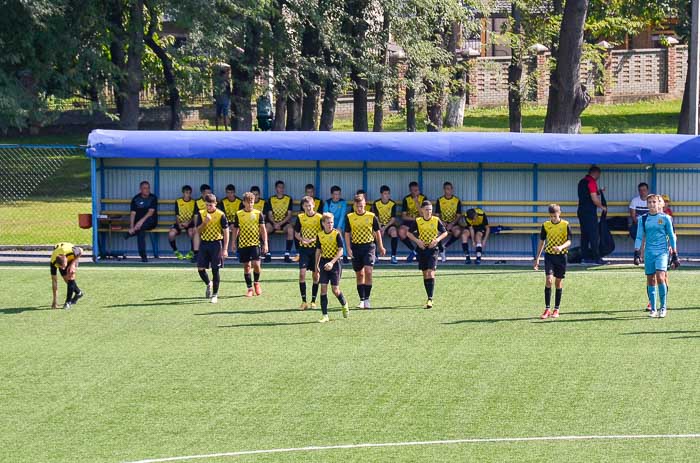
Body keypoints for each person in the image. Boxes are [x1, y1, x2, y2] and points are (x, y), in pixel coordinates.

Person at [634, 194, 679, 318]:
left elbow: (671, 235)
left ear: (659, 204)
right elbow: (639, 236)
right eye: (649, 202)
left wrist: (675, 254)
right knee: (650, 279)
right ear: (647, 204)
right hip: (649, 253)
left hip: (662, 253)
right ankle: (653, 309)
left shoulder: (665, 218)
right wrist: (636, 252)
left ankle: (663, 307)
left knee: (660, 277)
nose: (652, 204)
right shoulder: (642, 219)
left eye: (654, 202)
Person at [345, 194, 386, 309]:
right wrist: (348, 248)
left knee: (368, 271)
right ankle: (361, 299)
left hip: (369, 247)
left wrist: (381, 246)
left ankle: (367, 299)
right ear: (354, 205)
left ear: (365, 204)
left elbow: (377, 232)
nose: (360, 208)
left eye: (362, 206)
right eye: (358, 206)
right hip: (356, 247)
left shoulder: (372, 216)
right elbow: (347, 233)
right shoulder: (349, 217)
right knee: (359, 274)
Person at [533, 204, 573, 320]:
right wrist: (537, 258)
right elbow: (542, 241)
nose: (553, 218)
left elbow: (569, 241)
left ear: (559, 213)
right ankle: (547, 309)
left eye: (555, 216)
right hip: (549, 256)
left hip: (561, 257)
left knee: (558, 283)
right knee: (549, 280)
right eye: (551, 216)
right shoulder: (546, 225)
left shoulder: (565, 225)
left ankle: (556, 309)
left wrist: (561, 247)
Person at [407, 200, 449, 309]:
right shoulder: (418, 221)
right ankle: (428, 296)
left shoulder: (436, 220)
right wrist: (418, 241)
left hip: (433, 250)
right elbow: (408, 233)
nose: (429, 212)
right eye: (426, 210)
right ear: (422, 210)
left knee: (430, 272)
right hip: (422, 250)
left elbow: (445, 232)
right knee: (425, 273)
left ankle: (430, 298)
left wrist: (437, 240)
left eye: (430, 210)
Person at [232, 192, 268, 297]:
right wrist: (233, 242)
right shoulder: (239, 214)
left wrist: (265, 243)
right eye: (248, 202)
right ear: (243, 203)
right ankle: (249, 288)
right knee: (247, 266)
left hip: (255, 243)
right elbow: (235, 229)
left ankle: (256, 282)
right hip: (243, 244)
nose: (250, 204)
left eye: (252, 202)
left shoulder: (258, 213)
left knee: (256, 265)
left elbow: (263, 229)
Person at [315, 213, 349, 323]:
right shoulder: (320, 235)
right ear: (323, 223)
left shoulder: (336, 234)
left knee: (335, 290)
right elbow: (318, 251)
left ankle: (344, 303)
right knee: (323, 289)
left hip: (335, 264)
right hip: (324, 262)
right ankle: (325, 315)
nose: (330, 224)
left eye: (332, 222)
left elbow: (341, 251)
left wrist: (332, 262)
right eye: (328, 222)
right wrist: (316, 265)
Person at [195, 194, 229, 304]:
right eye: (207, 205)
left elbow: (226, 231)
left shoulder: (220, 215)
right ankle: (208, 283)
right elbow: (198, 231)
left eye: (210, 205)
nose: (208, 207)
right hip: (204, 243)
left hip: (216, 244)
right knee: (200, 268)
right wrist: (205, 222)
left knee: (215, 269)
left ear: (215, 204)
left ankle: (215, 295)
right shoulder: (201, 213)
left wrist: (225, 248)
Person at [295, 196, 323, 310]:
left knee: (316, 275)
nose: (308, 208)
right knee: (302, 274)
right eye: (306, 206)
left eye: (310, 205)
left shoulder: (319, 217)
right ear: (303, 207)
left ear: (314, 205)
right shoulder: (300, 217)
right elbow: (296, 233)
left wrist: (313, 240)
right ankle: (303, 301)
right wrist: (302, 239)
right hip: (304, 250)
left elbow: (323, 233)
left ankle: (313, 301)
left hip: (316, 250)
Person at [577, 165, 607, 265]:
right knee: (594, 235)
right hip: (589, 213)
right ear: (595, 173)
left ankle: (585, 258)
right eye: (599, 174)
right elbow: (594, 199)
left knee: (584, 235)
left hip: (581, 211)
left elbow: (587, 194)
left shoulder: (582, 181)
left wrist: (599, 191)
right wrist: (602, 207)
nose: (599, 176)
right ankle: (597, 258)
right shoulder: (592, 182)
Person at [125, 180, 158, 262]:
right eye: (144, 188)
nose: (147, 190)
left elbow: (150, 212)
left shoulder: (153, 198)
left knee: (141, 227)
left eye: (148, 188)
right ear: (140, 189)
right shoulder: (136, 199)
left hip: (151, 221)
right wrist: (132, 226)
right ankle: (143, 256)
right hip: (138, 225)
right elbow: (133, 213)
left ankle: (131, 234)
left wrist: (140, 222)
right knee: (141, 230)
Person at [264, 180, 294, 263]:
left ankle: (287, 255)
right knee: (265, 229)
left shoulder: (288, 199)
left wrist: (280, 224)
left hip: (283, 222)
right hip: (273, 222)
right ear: (276, 188)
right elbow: (269, 214)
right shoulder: (271, 199)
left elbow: (289, 215)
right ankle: (267, 253)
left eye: (282, 187)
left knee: (291, 230)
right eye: (279, 187)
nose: (281, 189)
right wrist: (275, 223)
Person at [434, 181, 462, 263]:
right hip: (442, 223)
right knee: (437, 233)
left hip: (453, 223)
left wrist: (452, 223)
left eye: (450, 189)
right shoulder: (440, 200)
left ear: (452, 189)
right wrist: (442, 222)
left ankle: (444, 246)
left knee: (457, 232)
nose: (448, 190)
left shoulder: (456, 200)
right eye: (447, 189)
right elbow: (437, 215)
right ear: (444, 190)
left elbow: (458, 215)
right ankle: (441, 251)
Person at [398, 181, 426, 263]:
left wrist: (417, 202)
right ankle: (414, 251)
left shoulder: (423, 198)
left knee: (425, 233)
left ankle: (417, 252)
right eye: (414, 190)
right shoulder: (406, 199)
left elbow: (423, 215)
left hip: (422, 222)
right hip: (410, 221)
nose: (416, 192)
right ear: (410, 191)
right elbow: (404, 216)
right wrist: (414, 219)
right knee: (401, 232)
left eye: (417, 190)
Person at [50, 243, 84, 310]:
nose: (63, 268)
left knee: (70, 274)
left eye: (64, 266)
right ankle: (79, 293)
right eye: (61, 267)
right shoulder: (53, 262)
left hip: (72, 258)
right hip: (60, 256)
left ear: (66, 259)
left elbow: (81, 250)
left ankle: (68, 302)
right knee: (67, 280)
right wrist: (54, 301)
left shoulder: (71, 251)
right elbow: (54, 281)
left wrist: (72, 264)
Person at [371, 185, 399, 264]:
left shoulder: (392, 204)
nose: (387, 195)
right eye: (385, 194)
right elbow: (375, 217)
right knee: (375, 233)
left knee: (394, 232)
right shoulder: (376, 203)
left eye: (388, 194)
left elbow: (393, 219)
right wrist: (380, 227)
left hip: (388, 225)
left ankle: (393, 256)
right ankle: (375, 256)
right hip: (379, 224)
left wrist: (385, 228)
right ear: (381, 194)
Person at [168, 185, 196, 260]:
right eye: (186, 193)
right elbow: (177, 215)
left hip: (189, 223)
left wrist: (188, 223)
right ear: (183, 193)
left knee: (192, 233)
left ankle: (192, 251)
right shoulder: (178, 201)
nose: (188, 194)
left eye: (189, 193)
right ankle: (176, 251)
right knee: (171, 234)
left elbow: (194, 216)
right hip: (179, 223)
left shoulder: (194, 202)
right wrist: (179, 224)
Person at [323, 185, 348, 263]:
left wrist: (339, 227)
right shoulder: (327, 203)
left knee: (340, 234)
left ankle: (345, 255)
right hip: (330, 224)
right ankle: (330, 254)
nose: (337, 196)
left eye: (339, 194)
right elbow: (326, 216)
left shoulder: (343, 202)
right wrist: (331, 226)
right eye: (335, 194)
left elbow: (342, 215)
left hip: (341, 224)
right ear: (332, 195)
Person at [190, 184, 213, 263]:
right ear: (202, 193)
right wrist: (195, 226)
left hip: (212, 224)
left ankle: (211, 255)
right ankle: (196, 254)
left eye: (210, 193)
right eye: (207, 193)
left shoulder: (213, 201)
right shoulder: (198, 202)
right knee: (196, 232)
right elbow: (196, 215)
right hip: (201, 224)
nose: (209, 195)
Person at [219, 184, 242, 254]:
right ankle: (221, 252)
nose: (230, 195)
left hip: (237, 223)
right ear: (226, 193)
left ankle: (239, 251)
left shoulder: (240, 202)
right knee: (221, 231)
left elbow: (241, 216)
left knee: (240, 231)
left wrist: (234, 224)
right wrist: (228, 225)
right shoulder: (223, 202)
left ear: (234, 192)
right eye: (228, 193)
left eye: (231, 193)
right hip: (226, 224)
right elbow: (222, 216)